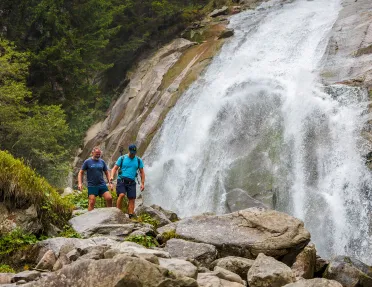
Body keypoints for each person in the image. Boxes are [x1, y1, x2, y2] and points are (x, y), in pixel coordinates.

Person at [110, 144, 145, 218]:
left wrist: (142, 183)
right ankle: (118, 212)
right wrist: (111, 176)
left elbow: (142, 172)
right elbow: (115, 168)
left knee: (132, 199)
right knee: (122, 195)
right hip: (121, 180)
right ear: (129, 151)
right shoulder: (122, 158)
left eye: (134, 153)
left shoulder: (138, 160)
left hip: (132, 182)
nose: (133, 154)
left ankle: (131, 215)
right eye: (131, 152)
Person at [78, 147, 113, 211]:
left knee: (109, 198)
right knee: (91, 202)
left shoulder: (102, 162)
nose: (98, 155)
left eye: (99, 154)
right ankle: (89, 217)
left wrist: (110, 182)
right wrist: (80, 183)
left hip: (101, 184)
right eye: (97, 154)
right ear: (92, 153)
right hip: (92, 185)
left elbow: (107, 173)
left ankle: (110, 213)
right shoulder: (87, 162)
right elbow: (80, 172)